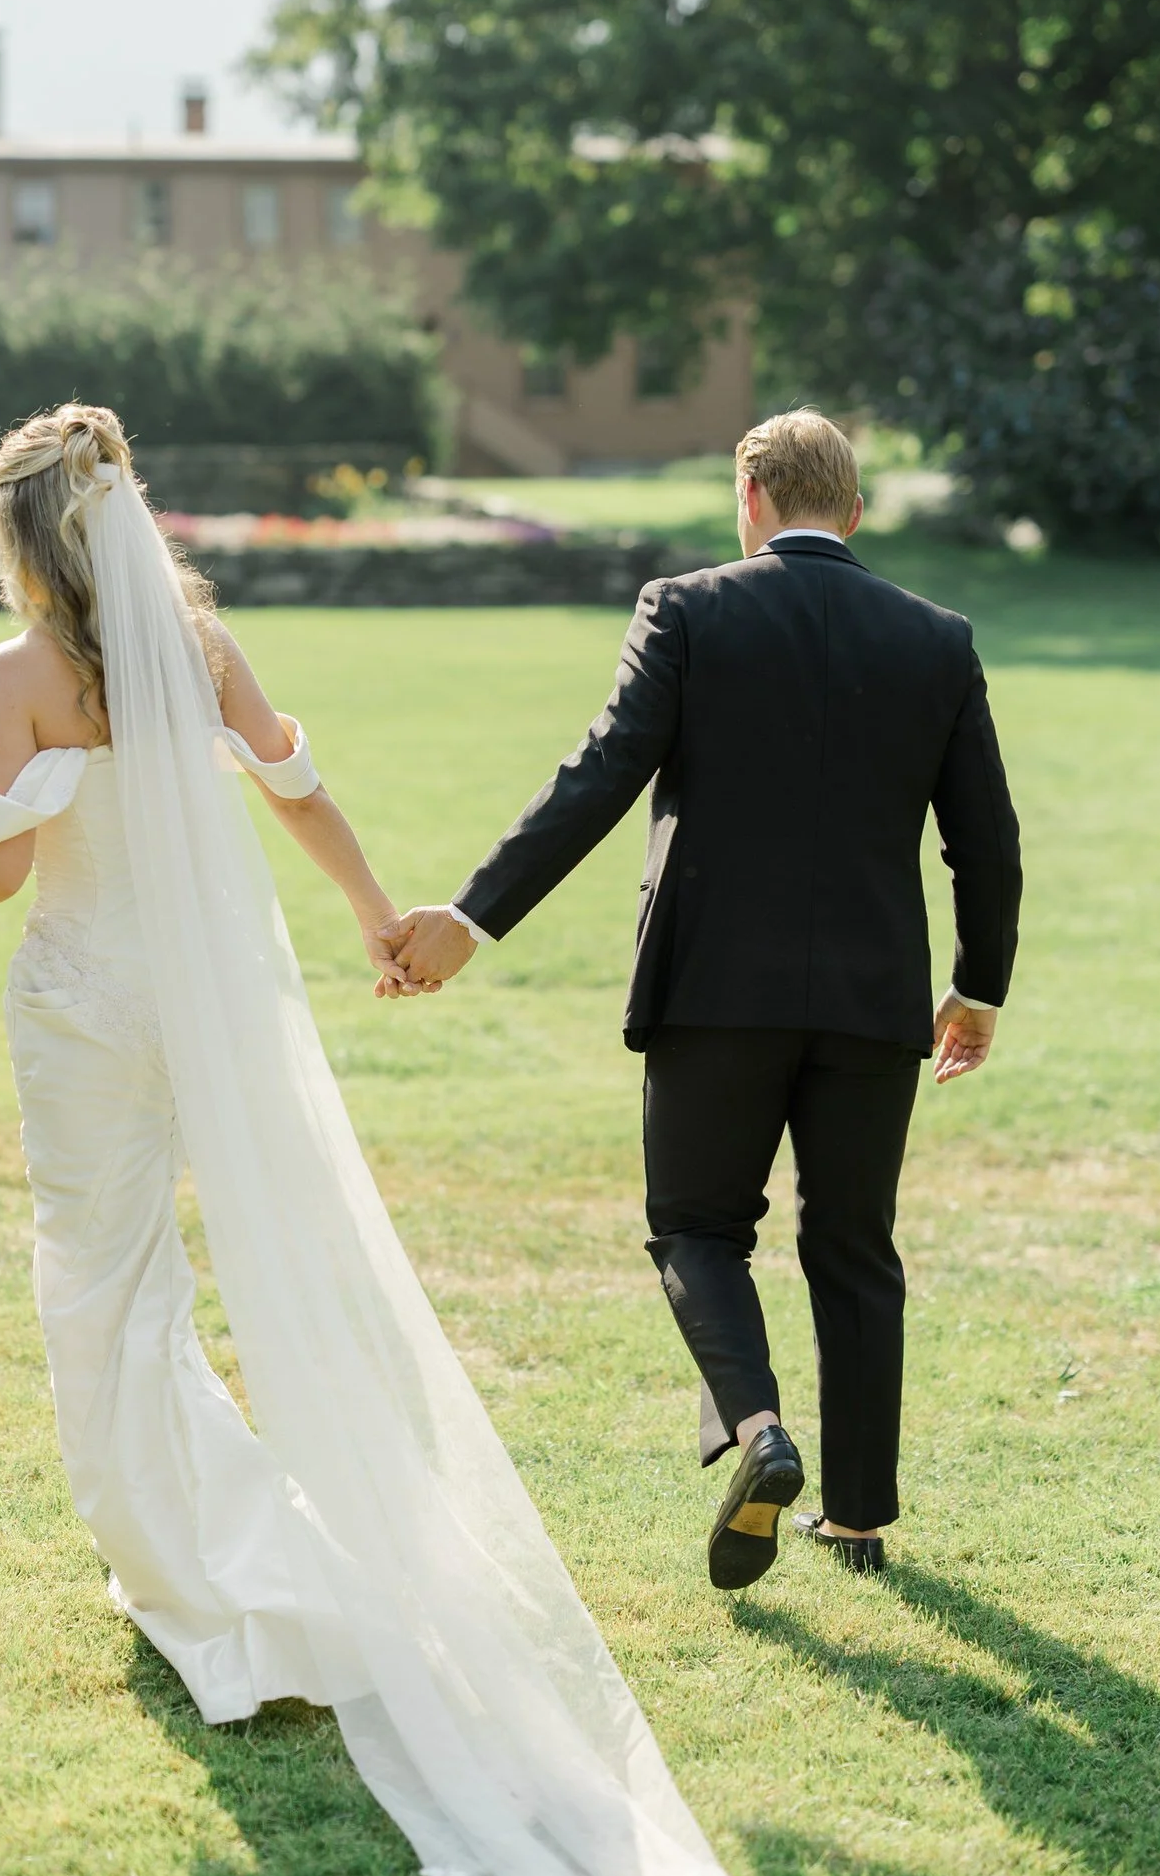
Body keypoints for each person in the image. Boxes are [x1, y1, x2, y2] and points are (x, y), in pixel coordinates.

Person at [0, 401, 746, 1876]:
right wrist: (373, 910)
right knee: (261, 1273)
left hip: (85, 1014)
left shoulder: (14, 674)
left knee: (103, 1277)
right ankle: (238, 1555)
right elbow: (289, 786)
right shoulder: (199, 651)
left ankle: (177, 1566)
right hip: (211, 1005)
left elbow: (7, 867)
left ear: (17, 538)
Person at [395, 410, 1022, 1588]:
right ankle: (858, 1517)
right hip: (870, 997)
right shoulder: (937, 638)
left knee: (694, 1226)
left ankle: (754, 1430)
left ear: (749, 495)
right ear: (850, 508)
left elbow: (599, 771)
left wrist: (470, 919)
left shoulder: (684, 608)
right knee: (852, 1243)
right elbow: (984, 844)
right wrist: (975, 986)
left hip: (709, 989)